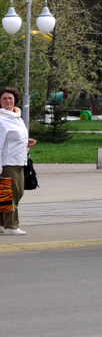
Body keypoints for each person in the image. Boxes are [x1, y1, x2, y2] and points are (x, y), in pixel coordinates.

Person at [0, 86, 36, 236]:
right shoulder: (1, 119)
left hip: (20, 161)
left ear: (15, 100)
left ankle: (2, 224)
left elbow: (13, 138)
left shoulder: (17, 117)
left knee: (17, 192)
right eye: (4, 98)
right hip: (7, 163)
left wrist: (25, 142)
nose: (8, 101)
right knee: (9, 194)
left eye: (10, 98)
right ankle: (10, 226)